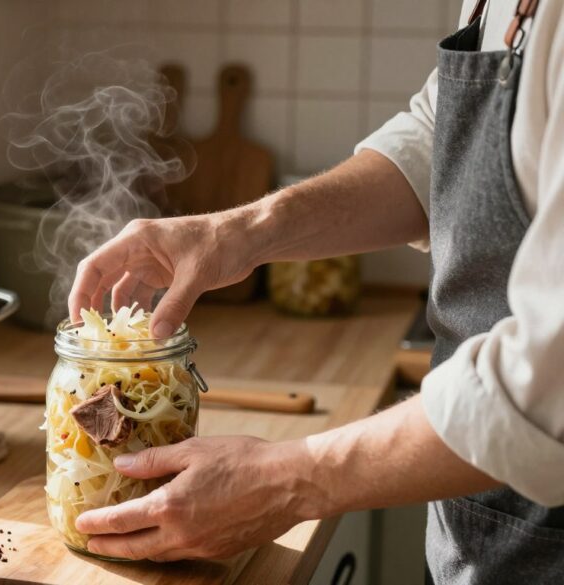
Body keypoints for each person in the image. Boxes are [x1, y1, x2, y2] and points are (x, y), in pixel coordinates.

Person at [66, 1, 564, 582]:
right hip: (479, 531)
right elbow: (444, 139)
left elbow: (547, 385)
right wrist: (236, 232)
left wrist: (287, 480)